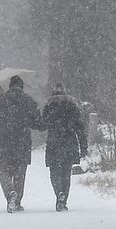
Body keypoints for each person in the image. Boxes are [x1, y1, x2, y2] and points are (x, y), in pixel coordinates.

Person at [0, 74, 43, 213]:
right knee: (20, 173)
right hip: (22, 141)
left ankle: (9, 193)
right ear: (22, 87)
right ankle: (17, 202)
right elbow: (37, 123)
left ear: (10, 86)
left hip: (4, 141)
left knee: (3, 172)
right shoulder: (28, 101)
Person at [41, 82, 88, 211]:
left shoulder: (49, 107)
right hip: (69, 143)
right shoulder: (72, 106)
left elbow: (43, 125)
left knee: (54, 173)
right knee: (66, 173)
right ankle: (63, 200)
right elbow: (80, 128)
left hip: (54, 143)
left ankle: (58, 193)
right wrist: (83, 147)